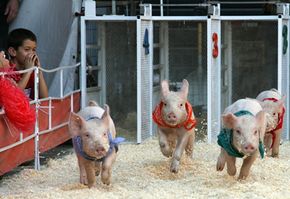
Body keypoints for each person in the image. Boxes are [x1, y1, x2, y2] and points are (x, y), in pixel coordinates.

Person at [7, 28, 48, 99]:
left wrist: (39, 71)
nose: (32, 53)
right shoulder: (6, 70)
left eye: (34, 50)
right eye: (27, 49)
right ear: (13, 51)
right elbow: (13, 97)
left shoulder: (31, 69)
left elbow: (44, 97)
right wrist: (28, 72)